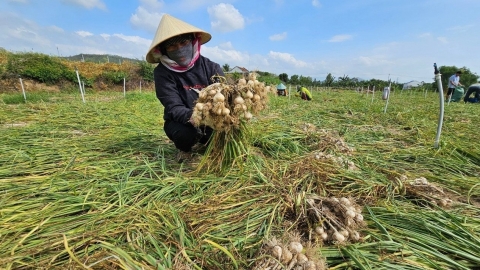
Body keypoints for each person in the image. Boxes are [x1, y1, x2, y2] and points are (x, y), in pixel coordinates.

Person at [146, 14, 224, 163]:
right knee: (185, 134)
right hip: (182, 122)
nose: (179, 49)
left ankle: (207, 142)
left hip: (212, 120)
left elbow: (225, 96)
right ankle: (184, 150)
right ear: (164, 50)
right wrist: (197, 117)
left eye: (184, 42)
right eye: (172, 46)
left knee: (223, 133)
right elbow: (173, 107)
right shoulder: (162, 72)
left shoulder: (211, 67)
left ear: (193, 42)